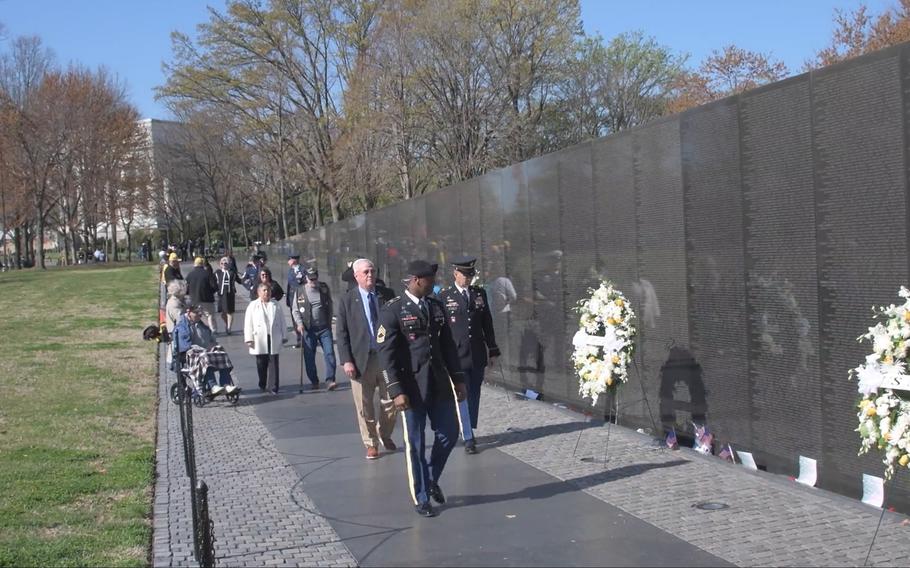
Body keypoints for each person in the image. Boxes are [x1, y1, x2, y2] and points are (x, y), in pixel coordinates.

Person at [377, 260, 466, 517]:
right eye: (430, 279)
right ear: (417, 280)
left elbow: (448, 346)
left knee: (450, 432)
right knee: (415, 443)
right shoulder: (393, 310)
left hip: (439, 383)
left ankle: (430, 478)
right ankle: (421, 497)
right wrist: (395, 390)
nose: (434, 283)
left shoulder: (436, 306)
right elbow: (386, 354)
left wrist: (458, 379)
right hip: (411, 388)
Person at [437, 257, 500, 455]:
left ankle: (469, 425)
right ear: (456, 274)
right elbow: (440, 327)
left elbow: (486, 322)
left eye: (471, 275)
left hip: (477, 352)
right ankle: (468, 437)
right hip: (456, 354)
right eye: (465, 275)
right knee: (461, 394)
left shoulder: (479, 293)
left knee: (474, 392)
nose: (468, 279)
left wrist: (493, 348)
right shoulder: (445, 296)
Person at [336, 259, 397, 459]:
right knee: (365, 406)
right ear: (356, 276)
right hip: (361, 360)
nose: (370, 274)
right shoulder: (347, 300)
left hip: (385, 358)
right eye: (365, 272)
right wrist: (346, 360)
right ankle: (370, 442)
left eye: (372, 271)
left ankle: (384, 433)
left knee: (391, 401)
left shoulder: (386, 295)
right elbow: (342, 333)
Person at [291, 267, 336, 390]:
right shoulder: (300, 291)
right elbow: (295, 310)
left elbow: (330, 305)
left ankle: (330, 379)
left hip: (324, 328)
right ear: (306, 278)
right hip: (308, 328)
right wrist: (299, 323)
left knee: (330, 353)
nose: (313, 282)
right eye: (310, 280)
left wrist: (329, 321)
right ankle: (314, 380)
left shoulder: (324, 288)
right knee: (309, 356)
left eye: (315, 279)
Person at [178, 304, 238, 395]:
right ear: (189, 312)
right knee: (205, 358)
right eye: (197, 313)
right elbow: (184, 345)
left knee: (221, 353)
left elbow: (211, 339)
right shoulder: (182, 327)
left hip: (205, 351)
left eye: (200, 313)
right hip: (189, 355)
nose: (200, 315)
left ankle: (225, 384)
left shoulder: (201, 325)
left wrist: (213, 345)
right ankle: (213, 385)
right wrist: (199, 349)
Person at [244, 282, 287, 394]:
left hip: (274, 336)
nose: (266, 292)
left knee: (274, 361)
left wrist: (284, 335)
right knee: (261, 363)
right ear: (259, 293)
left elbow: (282, 320)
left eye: (268, 290)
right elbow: (248, 323)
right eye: (264, 290)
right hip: (259, 338)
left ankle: (273, 386)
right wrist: (249, 339)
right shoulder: (252, 305)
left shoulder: (276, 304)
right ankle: (262, 382)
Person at [185, 257, 218, 332]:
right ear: (203, 264)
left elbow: (186, 287)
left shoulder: (190, 275)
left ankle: (199, 330)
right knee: (210, 315)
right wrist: (210, 292)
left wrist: (190, 293)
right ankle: (213, 329)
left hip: (194, 299)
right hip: (207, 299)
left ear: (194, 264)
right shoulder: (208, 274)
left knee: (197, 315)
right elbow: (215, 287)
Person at [215, 256, 242, 335]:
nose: (224, 264)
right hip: (221, 295)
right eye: (222, 263)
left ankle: (229, 328)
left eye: (225, 263)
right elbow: (212, 281)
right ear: (220, 264)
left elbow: (240, 281)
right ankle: (227, 324)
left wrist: (247, 280)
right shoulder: (218, 272)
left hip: (230, 294)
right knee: (223, 313)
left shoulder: (232, 273)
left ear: (228, 264)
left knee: (229, 312)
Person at [286, 254, 305, 347]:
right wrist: (287, 300)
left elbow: (302, 283)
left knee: (301, 317)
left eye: (289, 259)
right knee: (294, 319)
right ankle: (299, 339)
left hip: (300, 297)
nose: (288, 262)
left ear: (293, 260)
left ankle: (303, 339)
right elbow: (289, 286)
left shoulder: (302, 270)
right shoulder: (290, 271)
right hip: (292, 297)